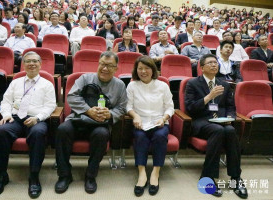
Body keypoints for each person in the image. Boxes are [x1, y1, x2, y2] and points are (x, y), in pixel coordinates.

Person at [54, 51, 127, 194]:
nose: (105, 68)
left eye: (109, 66)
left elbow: (122, 107)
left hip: (100, 124)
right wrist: (88, 110)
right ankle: (64, 175)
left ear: (116, 68)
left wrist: (110, 114)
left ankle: (90, 175)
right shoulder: (85, 78)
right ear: (98, 64)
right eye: (102, 64)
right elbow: (72, 97)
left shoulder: (120, 85)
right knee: (62, 130)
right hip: (78, 119)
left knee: (101, 134)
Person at [0, 51, 56, 199]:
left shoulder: (47, 84)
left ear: (40, 64)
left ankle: (34, 176)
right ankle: (1, 176)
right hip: (15, 119)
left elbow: (50, 106)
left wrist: (37, 118)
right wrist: (6, 115)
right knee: (1, 131)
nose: (31, 64)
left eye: (35, 61)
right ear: (23, 65)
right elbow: (6, 101)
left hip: (35, 119)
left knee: (38, 133)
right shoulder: (15, 82)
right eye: (28, 61)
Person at [184, 53, 248, 199]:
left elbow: (231, 106)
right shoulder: (193, 83)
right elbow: (190, 108)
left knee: (231, 130)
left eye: (215, 62)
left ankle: (236, 178)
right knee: (218, 130)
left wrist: (230, 117)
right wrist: (208, 97)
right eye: (210, 63)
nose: (214, 65)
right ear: (201, 67)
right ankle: (207, 177)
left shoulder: (224, 84)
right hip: (201, 121)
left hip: (221, 121)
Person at [126, 55, 174, 197]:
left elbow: (170, 107)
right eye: (140, 68)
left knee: (160, 136)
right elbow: (128, 106)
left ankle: (155, 172)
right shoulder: (132, 85)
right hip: (140, 122)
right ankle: (142, 173)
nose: (143, 71)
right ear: (136, 70)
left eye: (147, 68)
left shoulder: (162, 85)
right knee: (140, 137)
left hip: (159, 122)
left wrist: (164, 118)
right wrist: (135, 116)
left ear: (153, 70)